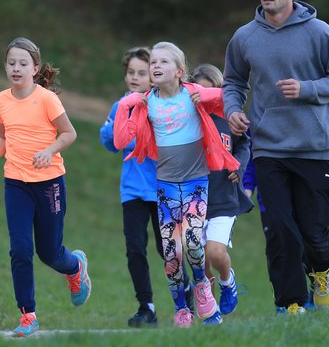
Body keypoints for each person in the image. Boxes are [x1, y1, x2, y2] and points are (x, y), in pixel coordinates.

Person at [222, 0, 329, 314]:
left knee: (313, 232)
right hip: (268, 147)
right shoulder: (245, 37)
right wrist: (233, 110)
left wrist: (307, 88)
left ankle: (323, 267)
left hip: (315, 146)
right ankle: (291, 304)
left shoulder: (319, 32)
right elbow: (233, 82)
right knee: (280, 230)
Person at [113, 42, 239, 327]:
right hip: (166, 185)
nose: (155, 66)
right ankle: (181, 308)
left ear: (180, 71)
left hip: (195, 181)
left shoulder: (193, 94)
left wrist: (208, 101)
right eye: (153, 62)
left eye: (163, 62)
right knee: (171, 254)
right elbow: (121, 140)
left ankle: (203, 288)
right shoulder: (147, 103)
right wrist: (126, 105)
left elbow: (229, 97)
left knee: (194, 245)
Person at [0, 37, 91, 337]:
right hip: (15, 183)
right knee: (20, 249)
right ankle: (28, 314)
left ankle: (75, 267)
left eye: (23, 63)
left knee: (50, 253)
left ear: (35, 68)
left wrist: (49, 150)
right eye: (11, 63)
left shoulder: (46, 99)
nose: (16, 68)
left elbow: (69, 133)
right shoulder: (0, 101)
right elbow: (4, 137)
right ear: (5, 66)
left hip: (49, 184)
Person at [100, 46, 193, 327]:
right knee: (135, 248)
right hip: (132, 191)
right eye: (131, 72)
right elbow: (110, 142)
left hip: (163, 188)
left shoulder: (161, 104)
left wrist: (128, 135)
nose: (135, 77)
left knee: (167, 250)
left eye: (142, 72)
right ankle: (146, 307)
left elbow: (158, 144)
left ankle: (187, 291)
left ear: (154, 75)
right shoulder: (121, 106)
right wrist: (115, 127)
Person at [191, 64, 253, 317]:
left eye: (210, 91)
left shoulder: (229, 119)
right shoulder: (189, 121)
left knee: (216, 253)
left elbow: (244, 146)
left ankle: (228, 282)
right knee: (201, 263)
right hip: (195, 198)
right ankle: (211, 312)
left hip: (224, 198)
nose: (204, 97)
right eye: (199, 92)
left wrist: (238, 166)